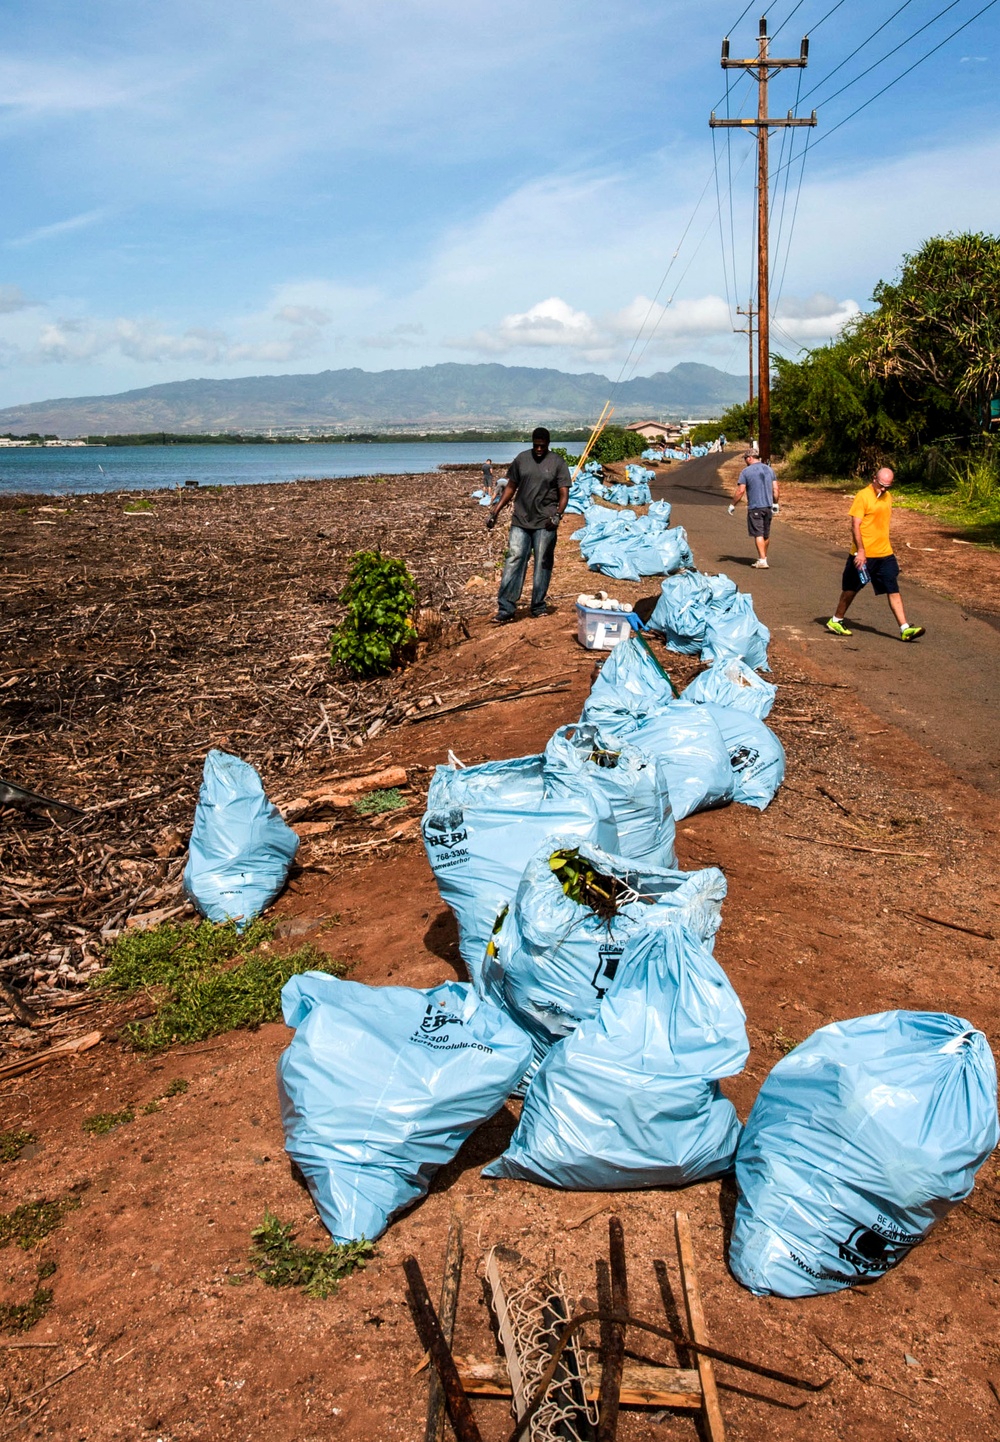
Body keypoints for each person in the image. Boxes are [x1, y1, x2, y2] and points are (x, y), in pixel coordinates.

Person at [826, 467, 925, 641]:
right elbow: (855, 525)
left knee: (892, 588)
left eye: (888, 486)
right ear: (874, 479)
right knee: (850, 590)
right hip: (863, 554)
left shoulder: (887, 497)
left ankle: (904, 628)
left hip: (885, 553)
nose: (884, 489)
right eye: (881, 485)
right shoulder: (863, 496)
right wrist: (861, 551)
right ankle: (836, 620)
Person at [488, 427, 570, 623]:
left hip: (545, 523)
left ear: (548, 444)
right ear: (532, 443)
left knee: (542, 562)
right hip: (521, 521)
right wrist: (496, 510)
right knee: (514, 560)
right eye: (536, 445)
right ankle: (506, 609)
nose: (539, 449)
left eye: (542, 446)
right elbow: (510, 487)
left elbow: (564, 493)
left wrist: (558, 515)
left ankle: (538, 606)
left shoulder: (557, 463)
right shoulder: (522, 459)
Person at [729, 449, 779, 568]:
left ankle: (762, 560)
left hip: (755, 507)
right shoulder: (769, 469)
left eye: (745, 458)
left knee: (758, 534)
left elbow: (741, 490)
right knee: (766, 534)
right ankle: (764, 557)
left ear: (750, 458)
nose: (745, 461)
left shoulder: (746, 472)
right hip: (768, 506)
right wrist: (776, 503)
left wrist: (732, 504)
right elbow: (776, 489)